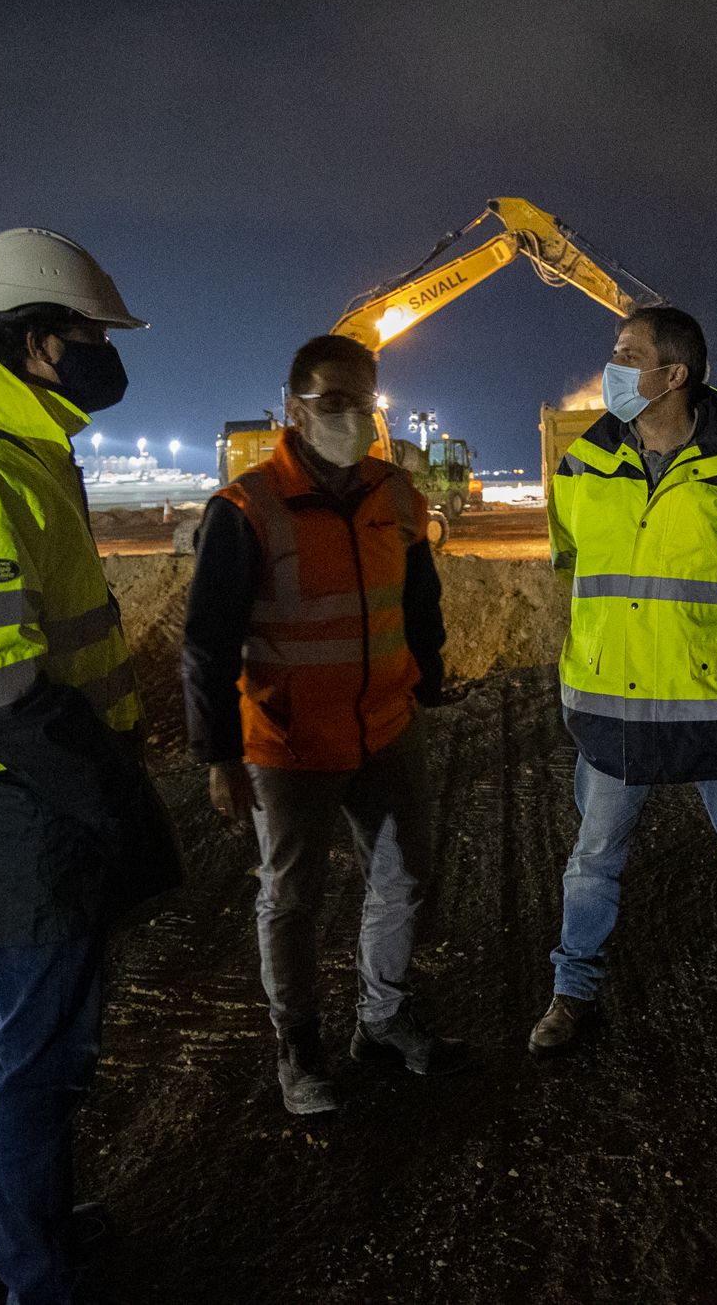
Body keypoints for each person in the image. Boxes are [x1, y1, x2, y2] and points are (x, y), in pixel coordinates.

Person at [0, 227, 181, 1303]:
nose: (106, 352)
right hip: (20, 806)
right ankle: (35, 1275)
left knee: (0, 1035)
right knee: (39, 1059)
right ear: (32, 340)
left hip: (20, 800)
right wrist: (108, 794)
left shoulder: (23, 454)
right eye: (89, 334)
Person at [183, 333, 466, 1117]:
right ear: (294, 408)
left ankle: (381, 1020)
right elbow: (206, 642)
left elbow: (419, 603)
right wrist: (219, 753)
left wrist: (430, 679)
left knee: (405, 875)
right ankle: (299, 1046)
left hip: (385, 726)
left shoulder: (397, 494)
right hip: (289, 741)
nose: (348, 415)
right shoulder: (246, 509)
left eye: (360, 400)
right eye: (329, 401)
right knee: (292, 898)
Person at [529, 305, 717, 1060]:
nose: (612, 366)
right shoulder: (582, 463)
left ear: (673, 374)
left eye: (626, 353)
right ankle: (571, 993)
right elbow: (570, 566)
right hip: (610, 706)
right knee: (591, 862)